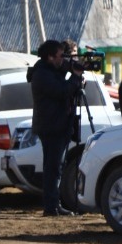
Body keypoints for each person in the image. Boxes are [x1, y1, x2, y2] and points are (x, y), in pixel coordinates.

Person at [29, 40, 84, 217]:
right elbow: (62, 91)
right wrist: (75, 77)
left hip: (57, 124)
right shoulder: (42, 74)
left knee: (56, 166)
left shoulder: (50, 71)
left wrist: (72, 71)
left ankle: (53, 204)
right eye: (61, 56)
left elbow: (64, 87)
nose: (63, 60)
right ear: (50, 57)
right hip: (51, 126)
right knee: (53, 167)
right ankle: (51, 206)